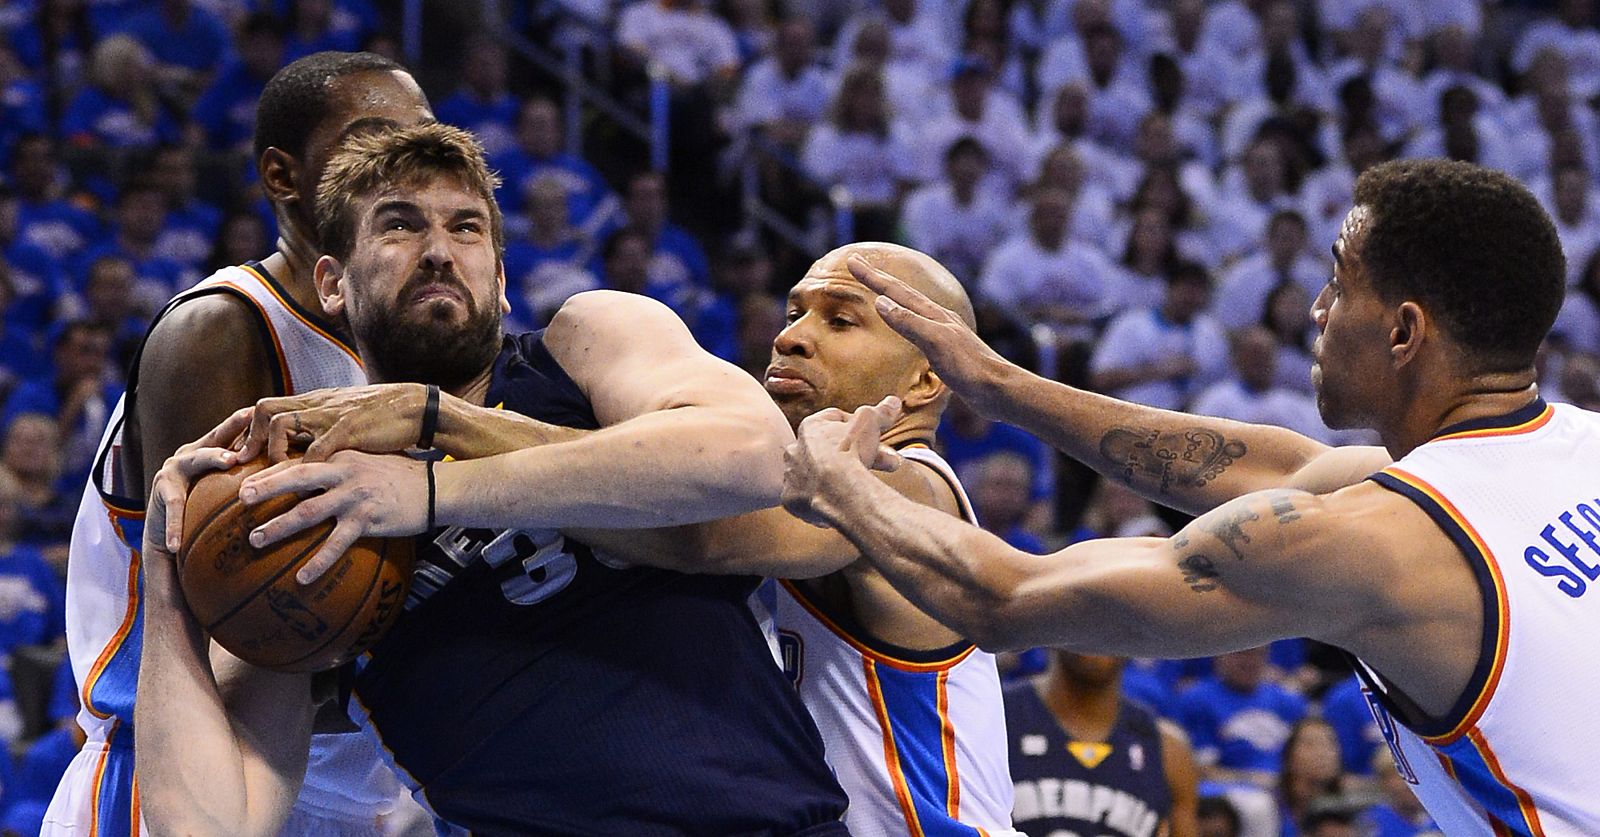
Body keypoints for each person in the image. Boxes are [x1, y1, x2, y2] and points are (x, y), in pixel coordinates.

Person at [785, 158, 1600, 835]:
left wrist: (840, 479)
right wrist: (999, 383)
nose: (1317, 309)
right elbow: (1263, 470)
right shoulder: (1576, 445)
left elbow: (1005, 596)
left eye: (1338, 283)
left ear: (1402, 332)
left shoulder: (1383, 542)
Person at [135, 121, 849, 836]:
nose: (440, 251)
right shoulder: (313, 499)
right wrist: (167, 573)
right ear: (332, 284)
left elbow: (755, 453)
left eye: (467, 229)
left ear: (501, 281)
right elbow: (205, 826)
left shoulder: (582, 347)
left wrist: (436, 460)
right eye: (400, 225)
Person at [205, 238, 1026, 837]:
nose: (791, 335)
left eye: (841, 319)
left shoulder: (903, 481)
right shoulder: (813, 466)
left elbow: (695, 531)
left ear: (926, 379)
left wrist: (449, 432)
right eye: (793, 311)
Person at [43, 51, 434, 836]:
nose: (400, 164)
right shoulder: (221, 328)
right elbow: (241, 611)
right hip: (177, 781)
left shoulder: (411, 341)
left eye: (422, 139)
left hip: (348, 787)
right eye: (369, 139)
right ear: (283, 177)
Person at [1005, 651, 1200, 837]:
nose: (1097, 634)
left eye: (1108, 621)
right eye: (1086, 620)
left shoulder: (1168, 749)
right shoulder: (997, 720)